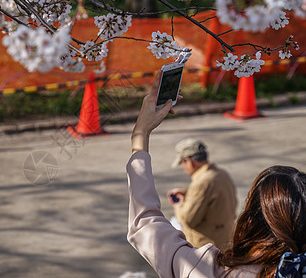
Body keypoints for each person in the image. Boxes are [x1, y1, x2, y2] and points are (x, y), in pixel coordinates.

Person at [126, 70, 306, 278]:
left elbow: (148, 224)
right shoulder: (221, 174)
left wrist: (141, 134)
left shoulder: (210, 270)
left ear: (250, 220)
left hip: (204, 240)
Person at [166, 137, 237, 251]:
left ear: (189, 161)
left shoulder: (202, 183)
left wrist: (178, 205)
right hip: (225, 242)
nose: (183, 168)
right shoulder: (222, 174)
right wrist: (188, 193)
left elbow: (189, 220)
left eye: (182, 163)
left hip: (206, 250)